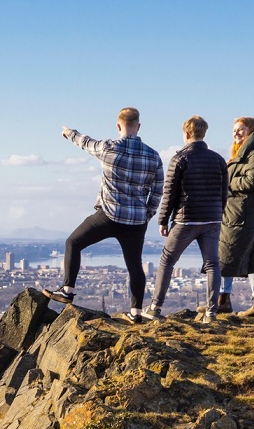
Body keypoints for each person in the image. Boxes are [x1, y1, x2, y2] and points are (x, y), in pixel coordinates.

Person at [45, 107, 164, 322]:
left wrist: (69, 133)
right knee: (135, 265)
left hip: (108, 215)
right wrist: (147, 214)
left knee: (73, 242)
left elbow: (85, 142)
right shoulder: (153, 156)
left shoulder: (108, 148)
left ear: (118, 126)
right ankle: (136, 312)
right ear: (138, 127)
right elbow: (158, 190)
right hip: (136, 221)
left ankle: (67, 290)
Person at [146, 116, 227, 322]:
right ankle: (211, 312)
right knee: (212, 264)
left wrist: (163, 220)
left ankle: (155, 307)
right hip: (212, 218)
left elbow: (170, 192)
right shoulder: (218, 159)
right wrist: (219, 213)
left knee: (167, 261)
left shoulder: (180, 159)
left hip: (186, 219)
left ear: (187, 134)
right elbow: (224, 192)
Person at [218, 117, 254, 318]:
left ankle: (222, 300)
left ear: (250, 131)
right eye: (234, 130)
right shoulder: (251, 151)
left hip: (242, 213)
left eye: (240, 129)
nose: (235, 133)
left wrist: (228, 180)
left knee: (225, 253)